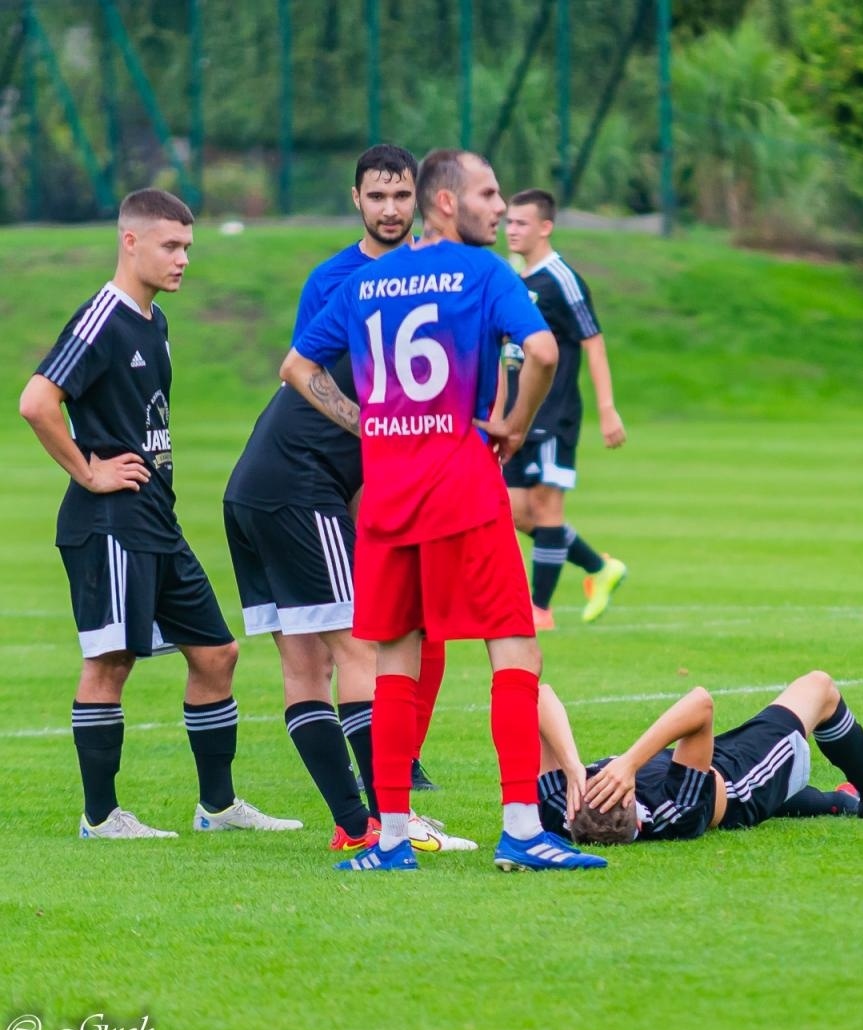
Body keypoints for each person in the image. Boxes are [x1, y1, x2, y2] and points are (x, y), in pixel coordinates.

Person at [281, 149, 604, 873]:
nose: (500, 208)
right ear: (448, 203)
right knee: (515, 647)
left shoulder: (367, 281)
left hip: (387, 496)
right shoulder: (485, 273)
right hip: (462, 487)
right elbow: (545, 352)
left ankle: (390, 839)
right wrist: (516, 423)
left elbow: (296, 367)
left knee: (395, 660)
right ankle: (521, 828)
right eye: (489, 194)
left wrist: (368, 423)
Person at [18, 189, 301, 839]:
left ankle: (219, 808)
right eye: (171, 246)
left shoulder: (155, 322)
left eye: (187, 249)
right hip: (108, 524)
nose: (182, 260)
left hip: (157, 523)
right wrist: (88, 471)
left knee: (217, 654)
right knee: (110, 663)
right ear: (130, 242)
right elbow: (37, 401)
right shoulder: (103, 318)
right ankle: (99, 817)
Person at [224, 145, 466, 853]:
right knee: (365, 650)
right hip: (300, 484)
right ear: (356, 198)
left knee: (307, 665)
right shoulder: (347, 283)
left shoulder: (421, 281)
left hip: (257, 484)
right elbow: (303, 375)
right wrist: (378, 429)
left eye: (402, 197)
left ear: (418, 200)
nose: (390, 209)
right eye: (377, 197)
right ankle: (392, 823)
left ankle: (354, 825)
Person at [530, 671, 863, 845]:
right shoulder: (676, 811)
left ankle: (839, 802)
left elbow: (538, 694)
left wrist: (570, 766)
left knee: (812, 803)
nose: (603, 777)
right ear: (638, 818)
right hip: (745, 780)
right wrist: (630, 763)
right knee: (819, 688)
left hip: (696, 761)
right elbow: (700, 706)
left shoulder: (557, 809)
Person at [500, 188, 628, 631]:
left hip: (554, 414)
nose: (510, 229)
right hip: (519, 414)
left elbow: (593, 344)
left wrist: (607, 409)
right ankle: (599, 567)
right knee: (515, 511)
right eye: (508, 222)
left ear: (545, 227)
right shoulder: (514, 277)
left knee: (548, 507)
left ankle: (540, 610)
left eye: (520, 223)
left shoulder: (563, 278)